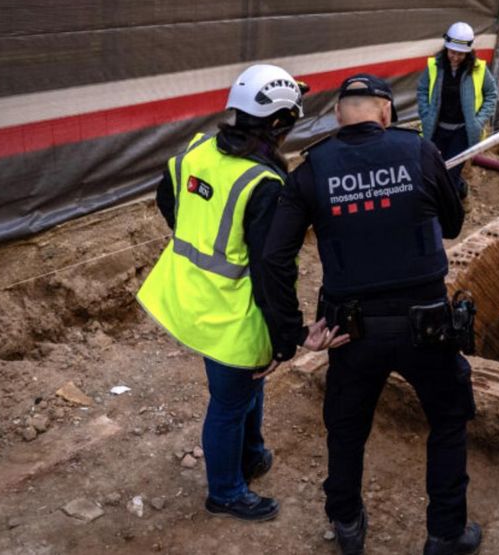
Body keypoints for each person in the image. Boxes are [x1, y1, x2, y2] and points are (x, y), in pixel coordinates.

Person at [260, 75, 478, 555]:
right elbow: (454, 224)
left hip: (350, 331)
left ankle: (347, 523)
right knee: (446, 421)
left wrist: (293, 332)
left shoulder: (313, 169)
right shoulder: (420, 153)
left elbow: (275, 258)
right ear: (385, 111)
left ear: (339, 115)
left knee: (346, 427)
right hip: (428, 327)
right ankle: (445, 533)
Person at [136, 64, 348, 522]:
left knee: (249, 382)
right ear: (275, 124)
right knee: (229, 402)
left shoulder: (199, 148)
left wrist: (193, 229)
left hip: (187, 295)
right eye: (289, 119)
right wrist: (286, 336)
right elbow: (274, 271)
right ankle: (226, 491)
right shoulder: (265, 185)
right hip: (229, 313)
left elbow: (166, 198)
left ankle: (251, 454)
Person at [416, 22, 498, 199]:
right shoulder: (435, 66)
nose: (455, 57)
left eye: (460, 54)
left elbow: (492, 95)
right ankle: (459, 188)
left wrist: (478, 120)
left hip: (462, 131)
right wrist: (425, 114)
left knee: (450, 174)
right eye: (452, 52)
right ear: (446, 48)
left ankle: (449, 209)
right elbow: (422, 89)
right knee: (434, 169)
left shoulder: (478, 69)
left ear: (468, 52)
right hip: (437, 129)